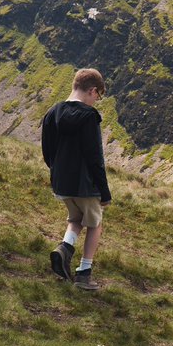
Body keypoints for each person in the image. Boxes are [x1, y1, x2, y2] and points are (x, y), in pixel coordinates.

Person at [41, 68, 111, 291]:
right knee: (95, 223)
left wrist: (58, 172)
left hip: (61, 183)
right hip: (84, 184)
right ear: (92, 90)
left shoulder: (53, 112)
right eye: (97, 96)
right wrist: (104, 191)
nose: (96, 101)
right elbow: (94, 157)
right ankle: (84, 273)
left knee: (76, 217)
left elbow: (47, 151)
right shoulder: (89, 117)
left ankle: (64, 249)